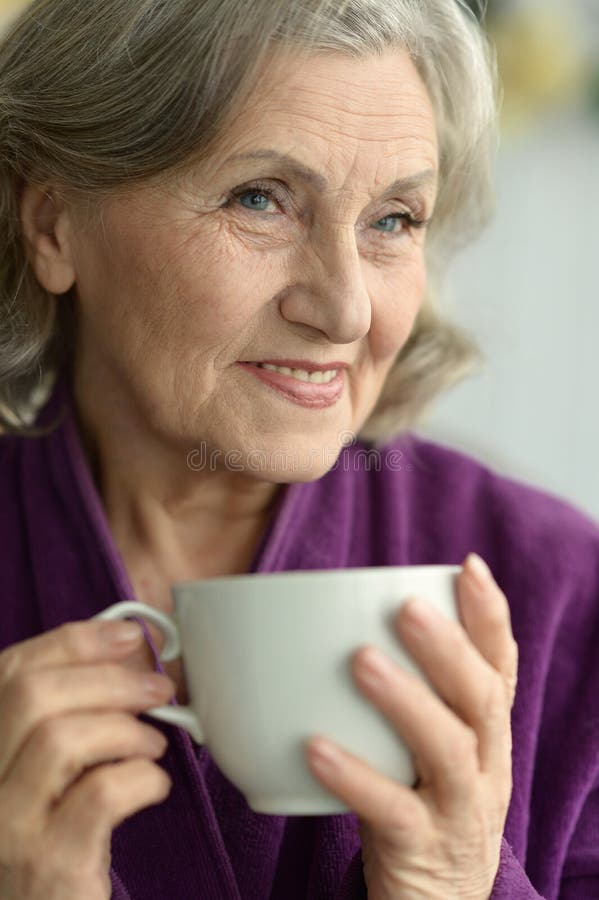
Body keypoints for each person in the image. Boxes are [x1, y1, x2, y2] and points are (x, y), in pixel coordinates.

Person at [0, 0, 598, 897]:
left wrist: (455, 882)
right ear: (53, 227)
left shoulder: (556, 589)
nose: (346, 309)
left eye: (393, 219)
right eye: (260, 200)